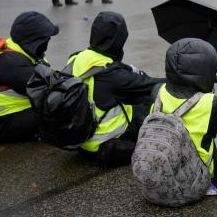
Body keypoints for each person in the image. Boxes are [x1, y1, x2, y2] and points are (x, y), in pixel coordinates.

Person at [64, 12, 163, 166]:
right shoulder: (113, 75)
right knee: (153, 105)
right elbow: (150, 84)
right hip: (103, 146)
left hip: (78, 139)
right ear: (118, 40)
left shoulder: (77, 58)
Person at [153, 38, 217, 178]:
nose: (216, 79)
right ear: (202, 74)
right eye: (214, 71)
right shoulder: (209, 103)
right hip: (200, 172)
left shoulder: (158, 92)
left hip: (169, 167)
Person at [0, 12, 59, 142]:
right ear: (35, 40)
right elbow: (47, 87)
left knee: (57, 107)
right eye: (46, 39)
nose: (47, 42)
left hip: (4, 114)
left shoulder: (24, 51)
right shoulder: (10, 62)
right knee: (61, 111)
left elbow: (51, 77)